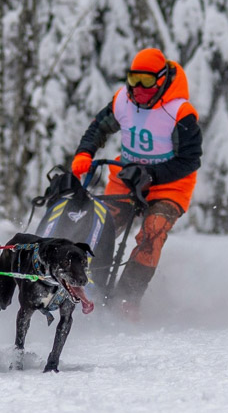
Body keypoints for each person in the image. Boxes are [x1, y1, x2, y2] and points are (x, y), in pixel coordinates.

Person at [70, 47, 202, 314]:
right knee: (100, 224)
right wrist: (85, 152)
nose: (139, 88)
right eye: (134, 79)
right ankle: (86, 286)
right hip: (127, 177)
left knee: (152, 232)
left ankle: (126, 300)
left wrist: (152, 175)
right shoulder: (123, 101)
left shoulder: (180, 112)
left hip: (170, 185)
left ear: (162, 80)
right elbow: (99, 126)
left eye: (147, 82)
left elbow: (190, 160)